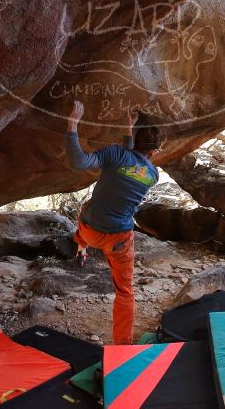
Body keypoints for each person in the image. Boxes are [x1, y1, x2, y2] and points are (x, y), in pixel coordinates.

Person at [64, 100, 164, 345]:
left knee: (88, 212)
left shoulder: (114, 154)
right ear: (153, 152)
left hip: (89, 229)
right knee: (124, 292)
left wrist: (72, 124)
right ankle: (122, 347)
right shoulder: (152, 175)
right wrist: (128, 129)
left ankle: (80, 247)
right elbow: (131, 161)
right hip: (117, 239)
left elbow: (81, 162)